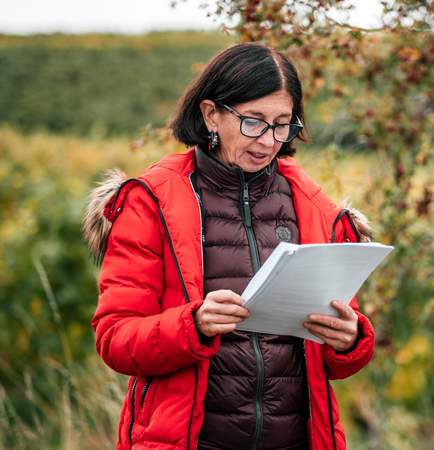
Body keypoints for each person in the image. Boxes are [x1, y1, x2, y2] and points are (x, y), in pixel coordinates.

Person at [83, 42, 375, 450]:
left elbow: (338, 356)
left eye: (282, 124)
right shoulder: (152, 202)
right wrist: (193, 324)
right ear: (211, 115)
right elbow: (116, 339)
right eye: (253, 121)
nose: (268, 140)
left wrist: (350, 338)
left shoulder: (317, 209)